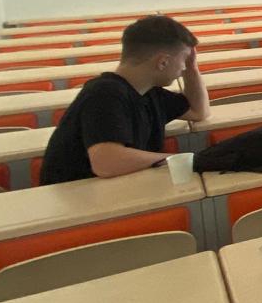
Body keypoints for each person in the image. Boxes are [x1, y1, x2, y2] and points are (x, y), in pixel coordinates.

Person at [39, 15, 209, 183]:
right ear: (163, 62)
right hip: (78, 195)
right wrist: (176, 160)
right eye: (184, 60)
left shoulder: (149, 91)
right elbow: (106, 163)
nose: (184, 67)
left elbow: (198, 111)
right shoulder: (104, 94)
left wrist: (192, 68)